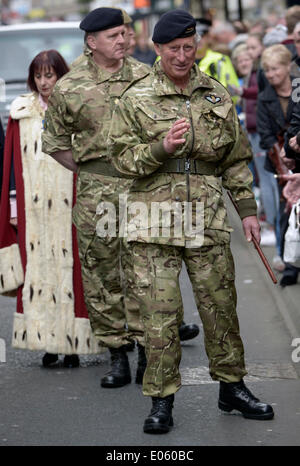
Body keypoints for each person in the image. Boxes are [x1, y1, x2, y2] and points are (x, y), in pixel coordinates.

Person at [108, 9, 274, 434]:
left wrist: (249, 212)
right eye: (173, 49)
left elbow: (236, 161)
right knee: (160, 315)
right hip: (153, 221)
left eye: (188, 47)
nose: (182, 56)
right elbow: (121, 160)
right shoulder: (135, 96)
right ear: (158, 49)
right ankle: (161, 400)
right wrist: (160, 149)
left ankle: (232, 387)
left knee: (220, 307)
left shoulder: (216, 94)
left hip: (207, 219)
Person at [42, 8, 199, 389]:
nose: (123, 40)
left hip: (146, 188)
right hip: (97, 192)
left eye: (125, 34)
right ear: (92, 42)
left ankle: (148, 350)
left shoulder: (148, 76)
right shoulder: (69, 86)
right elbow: (55, 143)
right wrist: (92, 173)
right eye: (113, 35)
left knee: (148, 273)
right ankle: (117, 354)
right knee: (102, 275)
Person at [0, 50, 101, 367]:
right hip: (33, 209)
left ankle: (71, 344)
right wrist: (14, 204)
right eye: (39, 76)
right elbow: (12, 164)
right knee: (38, 275)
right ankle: (47, 343)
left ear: (61, 76)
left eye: (50, 75)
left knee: (71, 275)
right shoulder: (21, 113)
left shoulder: (74, 109)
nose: (44, 82)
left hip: (69, 203)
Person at [257, 44, 298, 287]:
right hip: (279, 160)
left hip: (297, 149)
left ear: (286, 67)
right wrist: (282, 159)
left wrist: (293, 148)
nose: (271, 74)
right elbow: (264, 133)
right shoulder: (265, 97)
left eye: (275, 69)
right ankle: (289, 260)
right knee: (287, 210)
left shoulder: (297, 87)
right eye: (267, 70)